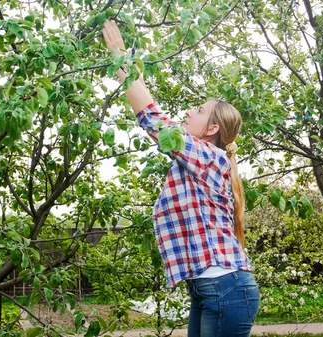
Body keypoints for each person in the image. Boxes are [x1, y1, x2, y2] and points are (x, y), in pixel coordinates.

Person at [103, 20, 260, 337]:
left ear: (212, 129)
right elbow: (156, 117)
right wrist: (133, 65)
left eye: (199, 110)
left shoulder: (210, 157)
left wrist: (120, 58)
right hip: (210, 288)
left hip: (225, 289)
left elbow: (153, 120)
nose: (189, 111)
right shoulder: (196, 161)